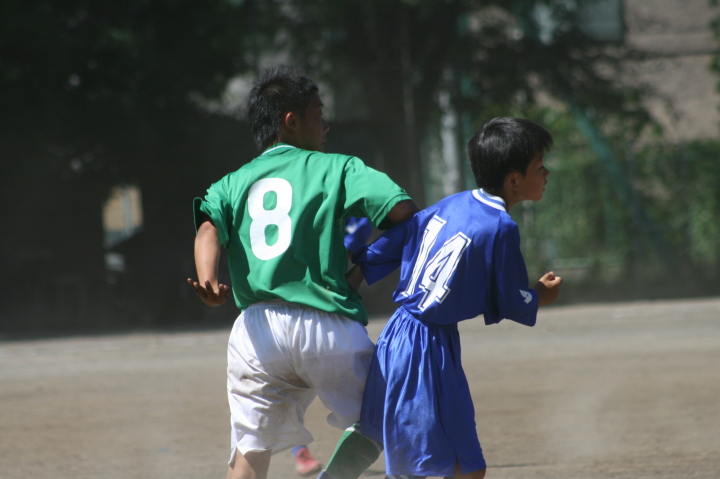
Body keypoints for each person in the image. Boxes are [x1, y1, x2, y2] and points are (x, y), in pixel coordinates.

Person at [187, 64, 419, 479]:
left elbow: (208, 229)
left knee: (249, 452)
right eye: (318, 114)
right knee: (388, 414)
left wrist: (209, 280)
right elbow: (404, 213)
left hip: (255, 334)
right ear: (291, 121)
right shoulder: (338, 168)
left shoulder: (232, 182)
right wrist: (362, 270)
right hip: (324, 325)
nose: (325, 126)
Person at [342, 117, 563, 479]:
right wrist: (540, 295)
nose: (546, 172)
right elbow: (511, 301)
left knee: (462, 465)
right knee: (436, 468)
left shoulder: (453, 202)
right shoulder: (502, 227)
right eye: (540, 166)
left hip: (402, 336)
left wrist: (356, 275)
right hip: (424, 349)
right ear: (514, 180)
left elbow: (402, 235)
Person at [290, 218, 373, 477]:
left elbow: (345, 253)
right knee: (289, 391)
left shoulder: (354, 214)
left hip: (325, 308)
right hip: (294, 307)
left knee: (372, 400)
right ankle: (299, 451)